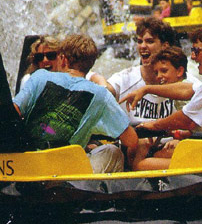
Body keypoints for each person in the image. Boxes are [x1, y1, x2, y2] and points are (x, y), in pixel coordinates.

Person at [124, 24, 202, 171]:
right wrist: (146, 89)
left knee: (141, 165)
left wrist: (154, 125)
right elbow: (187, 89)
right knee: (160, 153)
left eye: (196, 51)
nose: (193, 57)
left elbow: (185, 121)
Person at [13, 33, 137, 173]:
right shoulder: (102, 95)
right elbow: (131, 141)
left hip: (28, 163)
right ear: (90, 64)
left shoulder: (39, 76)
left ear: (63, 59)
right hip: (66, 171)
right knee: (113, 152)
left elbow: (13, 111)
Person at [90, 16, 188, 125]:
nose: (142, 46)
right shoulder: (126, 77)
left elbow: (196, 92)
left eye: (149, 41)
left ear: (165, 46)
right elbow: (107, 90)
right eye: (140, 41)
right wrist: (95, 77)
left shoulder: (181, 78)